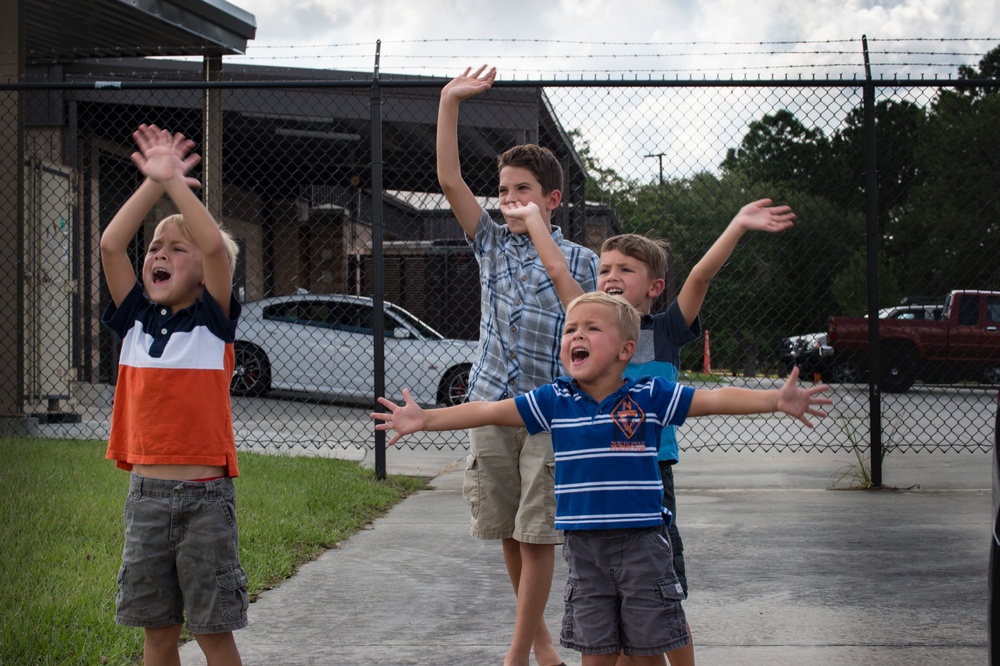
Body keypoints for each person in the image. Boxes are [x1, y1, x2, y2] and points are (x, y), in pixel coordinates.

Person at [372, 291, 832, 666]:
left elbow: (714, 399)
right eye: (571, 329)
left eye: (592, 328)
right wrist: (426, 418)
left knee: (650, 648)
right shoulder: (555, 399)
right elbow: (490, 410)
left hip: (643, 546)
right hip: (585, 550)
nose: (577, 334)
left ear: (626, 351)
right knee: (595, 649)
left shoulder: (650, 395)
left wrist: (774, 399)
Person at [515, 199, 796, 665]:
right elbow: (556, 268)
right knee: (615, 603)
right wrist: (531, 221)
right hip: (599, 487)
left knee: (662, 588)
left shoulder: (664, 329)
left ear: (654, 287)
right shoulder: (591, 320)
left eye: (625, 269)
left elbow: (701, 277)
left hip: (649, 475)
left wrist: (738, 223)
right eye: (604, 268)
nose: (610, 276)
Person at [436, 64, 599, 666]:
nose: (508, 201)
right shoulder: (490, 244)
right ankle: (542, 644)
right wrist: (450, 101)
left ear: (551, 200)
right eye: (503, 192)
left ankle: (517, 654)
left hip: (550, 411)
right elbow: (449, 178)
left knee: (539, 528)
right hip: (489, 401)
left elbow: (580, 314)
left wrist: (540, 235)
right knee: (508, 525)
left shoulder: (580, 259)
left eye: (522, 192)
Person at [100, 123, 245, 666]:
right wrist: (152, 185)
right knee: (157, 634)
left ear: (204, 271)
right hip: (145, 499)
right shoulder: (136, 318)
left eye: (174, 249)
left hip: (205, 501)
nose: (159, 253)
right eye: (156, 247)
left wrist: (178, 186)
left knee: (212, 633)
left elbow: (213, 246)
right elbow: (112, 243)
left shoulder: (213, 323)